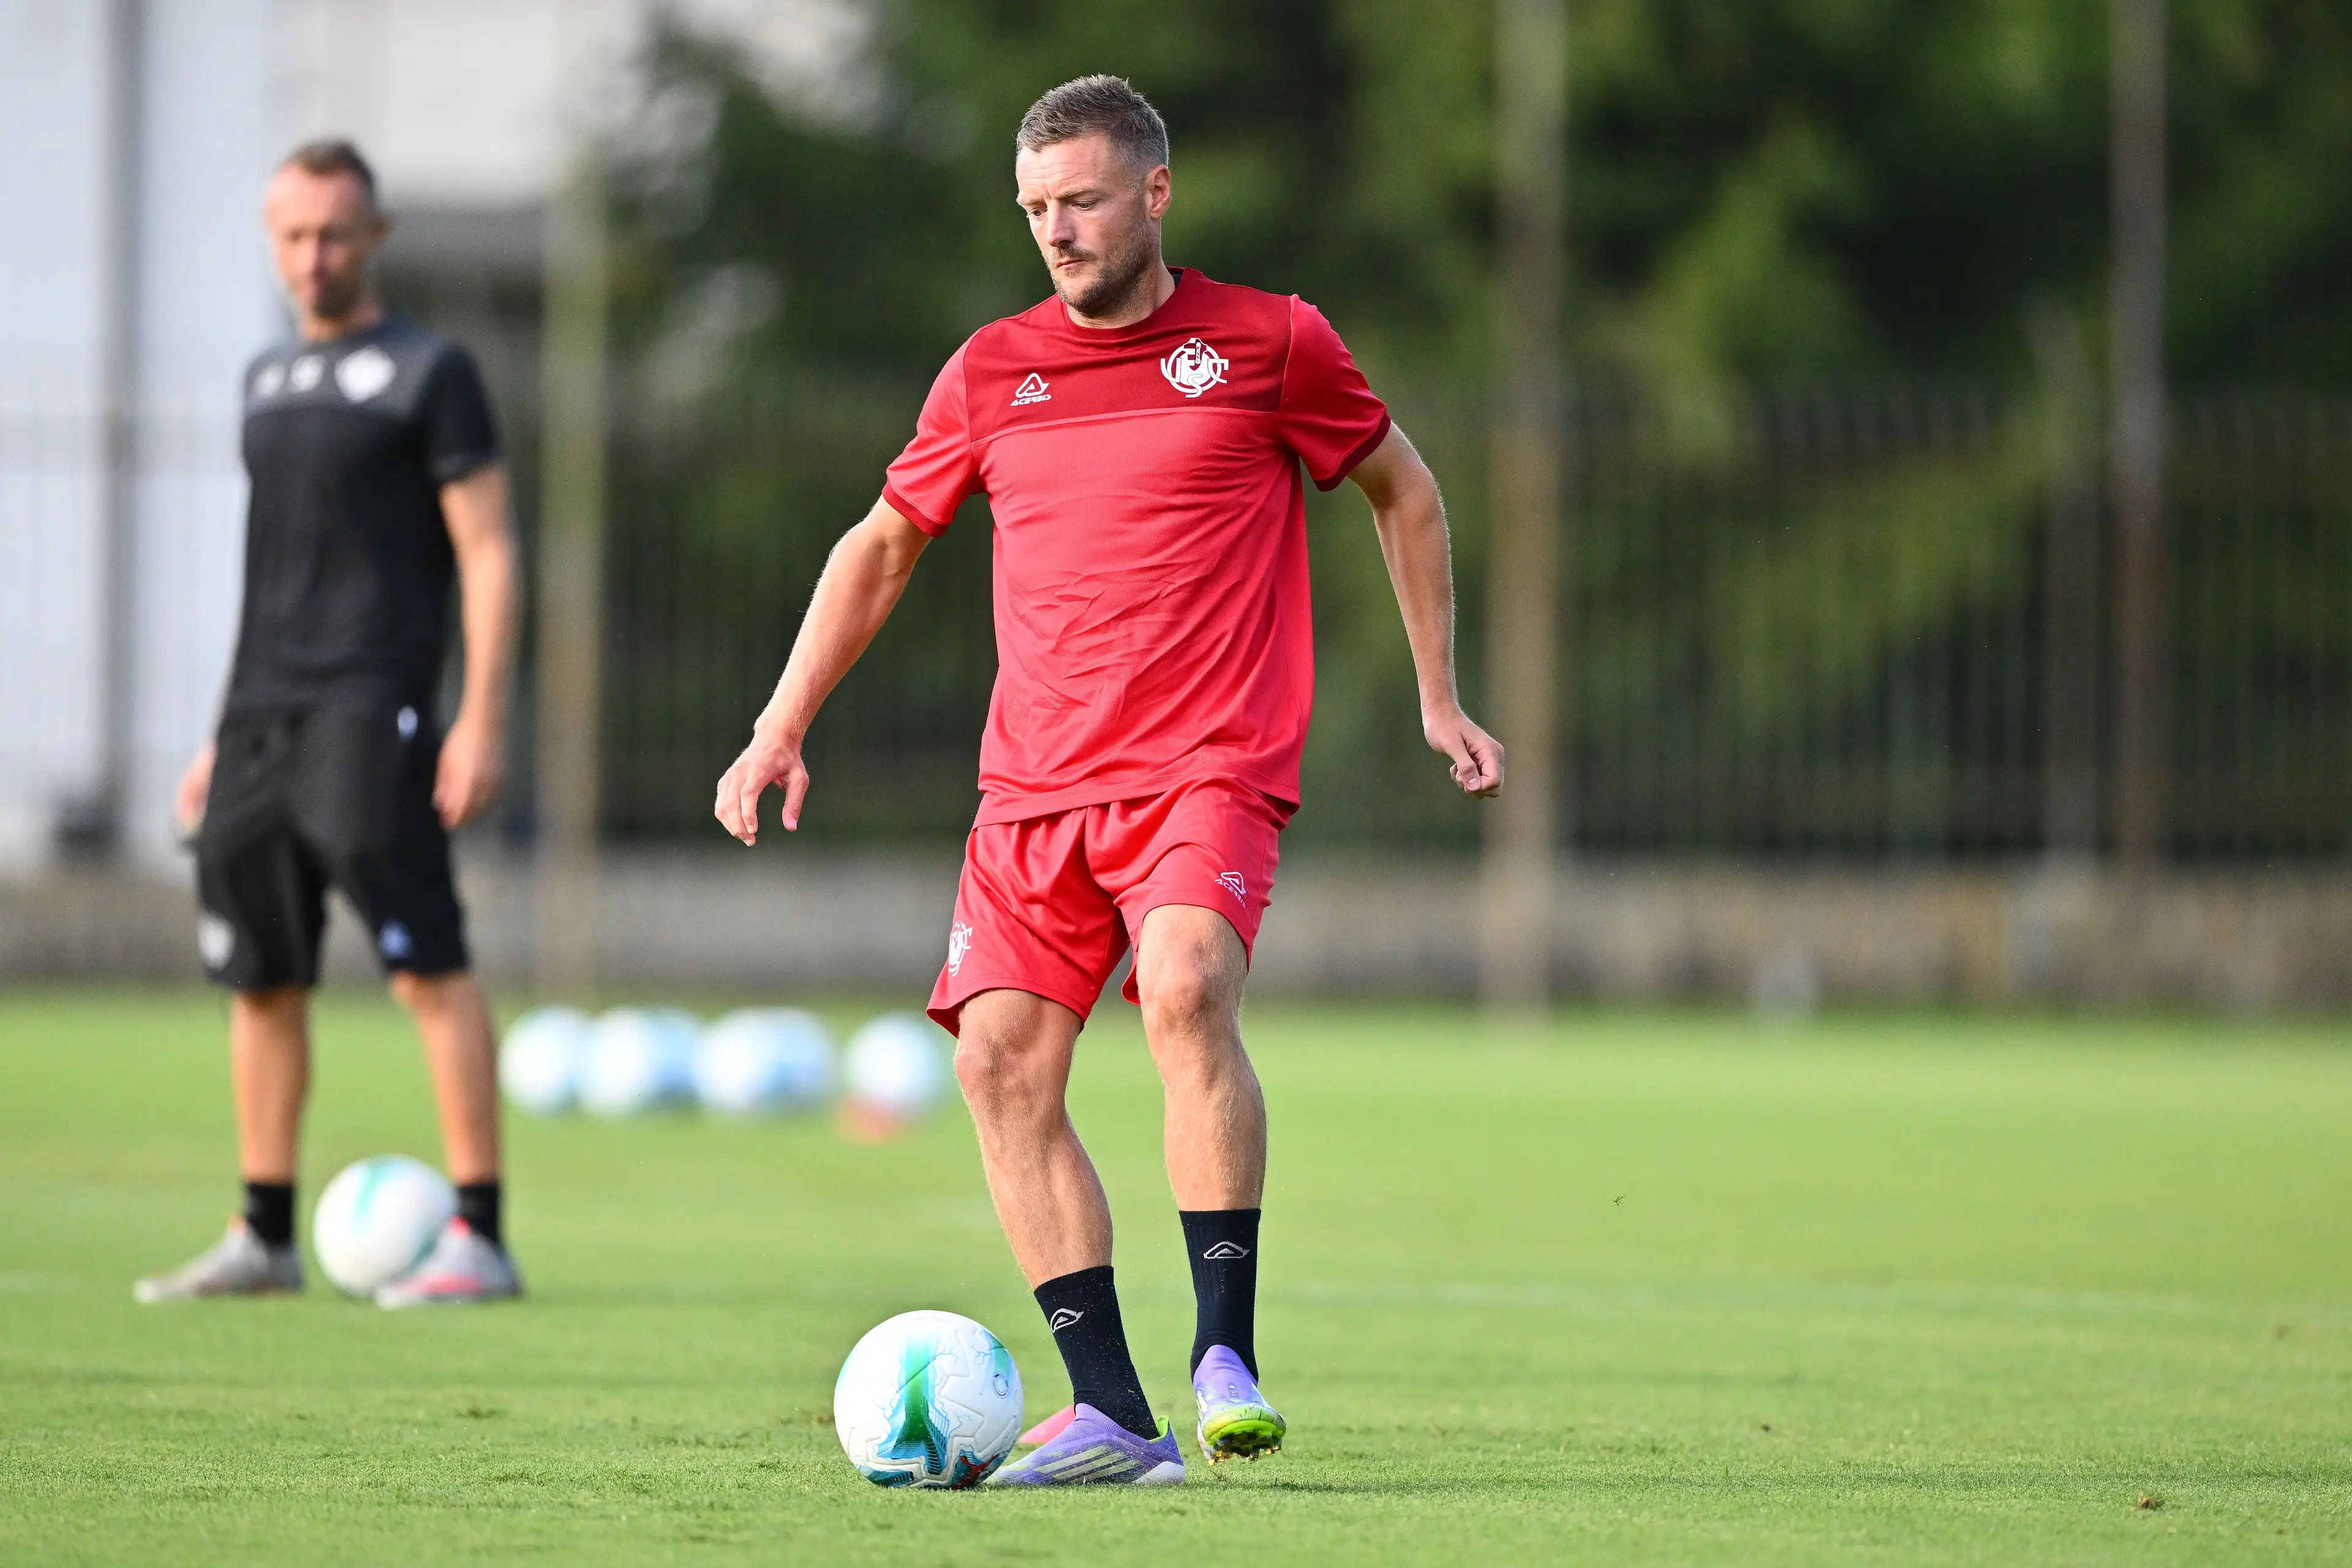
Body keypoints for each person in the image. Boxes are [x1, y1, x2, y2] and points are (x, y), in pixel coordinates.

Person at [715, 77, 1501, 1485]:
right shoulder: (990, 370)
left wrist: (1438, 693)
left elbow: (1407, 490)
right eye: (1035, 208)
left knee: (1186, 984)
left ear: (1154, 192)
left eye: (1080, 199)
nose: (1058, 230)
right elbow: (882, 543)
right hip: (1031, 788)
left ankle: (1225, 1356)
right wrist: (780, 722)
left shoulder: (1272, 341)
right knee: (996, 1065)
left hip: (1207, 765)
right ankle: (1113, 1413)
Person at [135, 139, 524, 1308]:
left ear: (375, 238)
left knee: (426, 966)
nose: (315, 257)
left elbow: (488, 550)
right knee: (259, 977)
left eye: (335, 235)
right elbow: (270, 576)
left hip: (373, 705)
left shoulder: (430, 373)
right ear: (275, 240)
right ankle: (263, 1235)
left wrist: (478, 716)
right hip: (262, 716)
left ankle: (481, 1234)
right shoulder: (266, 380)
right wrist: (220, 733)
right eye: (295, 236)